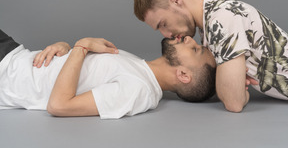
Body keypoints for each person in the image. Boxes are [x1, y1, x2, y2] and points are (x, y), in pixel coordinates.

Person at [134, 0, 288, 113]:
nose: (166, 34)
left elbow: (233, 103)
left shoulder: (222, 19)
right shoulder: (209, 26)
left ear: (175, 0)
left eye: (163, 23)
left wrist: (242, 94)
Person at [0, 29, 216, 119]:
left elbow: (59, 105)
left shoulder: (139, 90)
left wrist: (81, 46)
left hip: (5, 74)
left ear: (183, 75)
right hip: (14, 55)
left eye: (195, 50)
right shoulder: (139, 67)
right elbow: (78, 70)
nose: (189, 39)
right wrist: (66, 48)